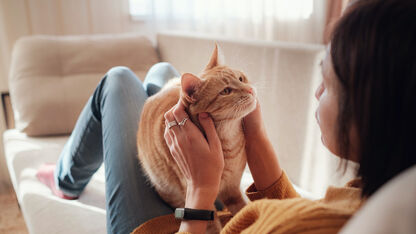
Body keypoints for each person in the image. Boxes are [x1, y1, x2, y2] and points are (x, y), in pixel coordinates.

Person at [37, 0, 416, 233]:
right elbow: (296, 212)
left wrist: (201, 187)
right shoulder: (375, 193)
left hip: (178, 222)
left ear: (377, 105)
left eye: (328, 81)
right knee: (161, 72)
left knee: (118, 79)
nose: (317, 92)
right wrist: (257, 139)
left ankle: (66, 178)